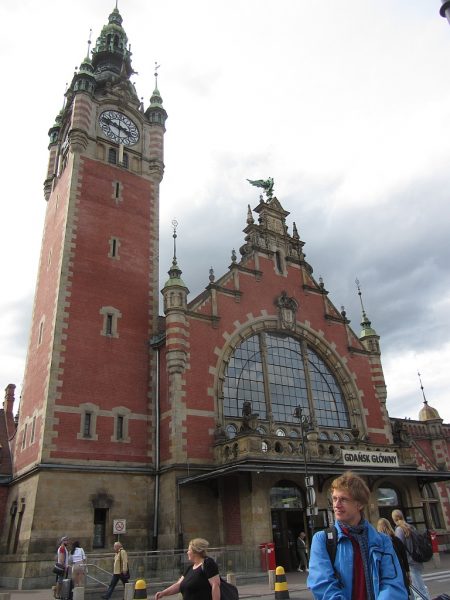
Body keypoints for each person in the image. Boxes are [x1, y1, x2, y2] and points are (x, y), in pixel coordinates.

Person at [308, 471, 408, 599]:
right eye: (334, 498)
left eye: (343, 499)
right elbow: (323, 586)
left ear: (359, 504)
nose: (336, 505)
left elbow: (392, 584)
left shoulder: (382, 541)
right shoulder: (322, 540)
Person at [154, 538, 220, 600]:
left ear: (195, 552)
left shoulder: (208, 563)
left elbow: (215, 585)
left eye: (189, 550)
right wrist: (163, 593)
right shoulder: (190, 568)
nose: (187, 552)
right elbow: (178, 585)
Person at [392, 509, 431, 600]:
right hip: (417, 559)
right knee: (417, 587)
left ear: (394, 519)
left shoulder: (399, 529)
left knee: (418, 589)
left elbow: (399, 547)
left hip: (410, 563)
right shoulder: (411, 527)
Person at [376, 518, 410, 593]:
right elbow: (404, 558)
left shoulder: (378, 543)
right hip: (400, 571)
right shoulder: (396, 540)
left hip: (387, 574)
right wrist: (407, 572)